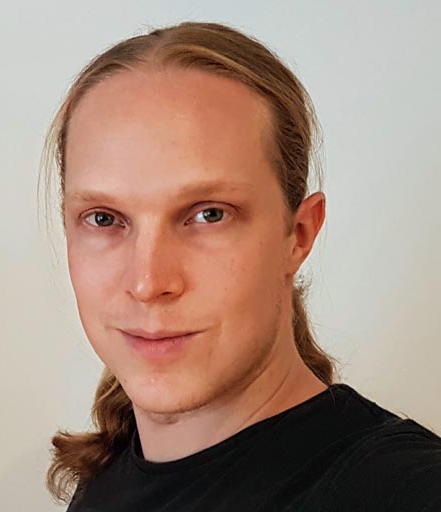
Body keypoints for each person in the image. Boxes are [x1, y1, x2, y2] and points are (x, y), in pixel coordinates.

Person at [39, 21, 441, 512]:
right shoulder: (105, 478)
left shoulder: (406, 490)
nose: (148, 282)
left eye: (209, 214)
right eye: (104, 218)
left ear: (299, 234)